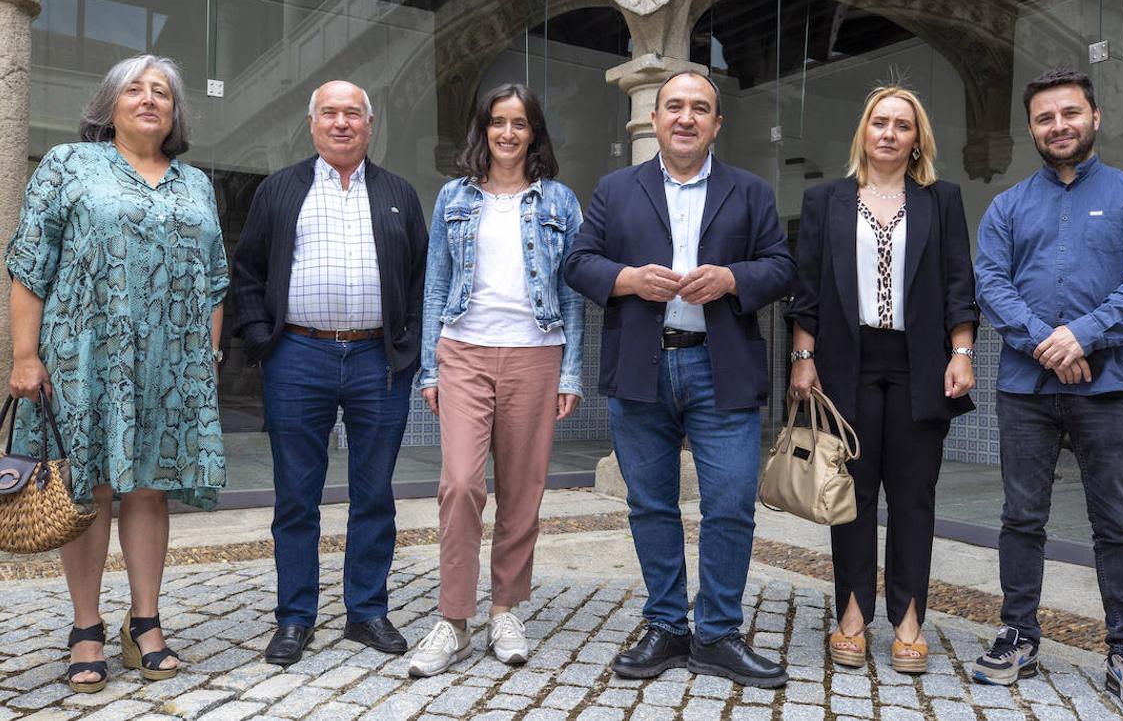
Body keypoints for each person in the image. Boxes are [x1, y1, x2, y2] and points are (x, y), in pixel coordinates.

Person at [565, 71, 794, 688]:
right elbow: (578, 263)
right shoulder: (616, 189)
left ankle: (717, 633)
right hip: (643, 363)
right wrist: (628, 280)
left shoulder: (750, 191)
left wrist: (733, 281)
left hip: (722, 365)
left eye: (700, 108)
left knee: (729, 503)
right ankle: (666, 626)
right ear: (656, 120)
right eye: (674, 107)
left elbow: (781, 266)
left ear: (717, 124)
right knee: (650, 503)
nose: (686, 118)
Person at [6, 55, 228, 692]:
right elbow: (30, 265)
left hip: (170, 364)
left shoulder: (195, 184)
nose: (150, 99)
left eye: (163, 92)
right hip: (84, 357)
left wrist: (203, 363)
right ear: (109, 104)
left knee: (150, 489)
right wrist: (25, 355)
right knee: (89, 487)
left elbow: (215, 281)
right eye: (135, 88)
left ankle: (145, 623)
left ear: (175, 113)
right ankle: (85, 628)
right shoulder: (69, 166)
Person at [972, 69, 1123, 714]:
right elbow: (991, 285)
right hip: (1025, 392)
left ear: (1094, 117)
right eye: (1044, 118)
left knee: (1117, 523)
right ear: (1032, 129)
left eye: (1069, 114)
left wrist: (1081, 337)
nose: (1058, 126)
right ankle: (1018, 633)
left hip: (1106, 387)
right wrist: (1045, 344)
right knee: (1021, 518)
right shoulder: (1006, 207)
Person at [232, 80, 428, 666]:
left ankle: (366, 611)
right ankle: (295, 617)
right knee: (296, 496)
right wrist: (264, 338)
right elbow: (246, 270)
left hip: (377, 360)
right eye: (329, 114)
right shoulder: (279, 189)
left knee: (375, 494)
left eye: (353, 114)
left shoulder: (398, 193)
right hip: (298, 357)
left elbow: (422, 278)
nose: (341, 123)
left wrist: (408, 345)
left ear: (369, 126)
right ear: (313, 124)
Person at [787, 85, 977, 674]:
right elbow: (808, 287)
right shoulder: (825, 201)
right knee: (853, 495)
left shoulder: (941, 200)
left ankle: (909, 620)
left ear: (918, 138)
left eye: (903, 124)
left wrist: (962, 351)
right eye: (880, 122)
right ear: (863, 133)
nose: (890, 133)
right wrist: (802, 356)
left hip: (920, 364)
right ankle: (851, 614)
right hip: (848, 364)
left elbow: (956, 283)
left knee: (914, 496)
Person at [407, 84, 584, 677]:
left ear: (534, 133)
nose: (508, 133)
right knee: (460, 484)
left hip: (536, 352)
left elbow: (571, 294)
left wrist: (571, 370)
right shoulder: (454, 196)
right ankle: (452, 620)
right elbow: (434, 285)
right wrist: (432, 365)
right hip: (464, 350)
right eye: (497, 122)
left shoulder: (559, 201)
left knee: (522, 489)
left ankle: (505, 608)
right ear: (482, 130)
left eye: (520, 123)